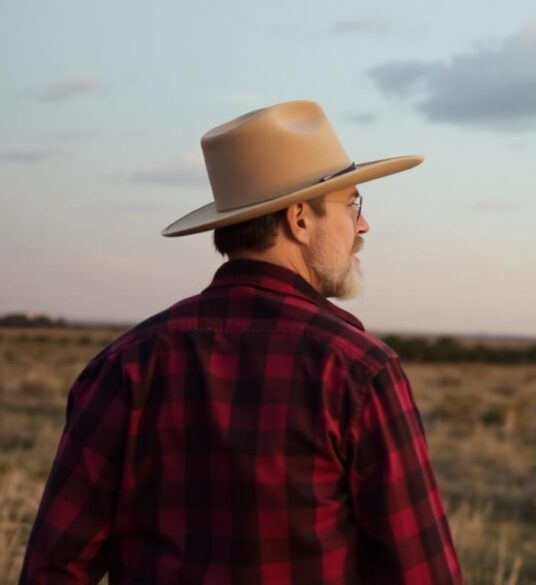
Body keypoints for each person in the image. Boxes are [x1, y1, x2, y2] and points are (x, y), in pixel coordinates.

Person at [19, 100, 464, 584]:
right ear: (299, 219)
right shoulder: (358, 371)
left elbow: (54, 569)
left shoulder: (123, 365)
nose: (362, 225)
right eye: (352, 204)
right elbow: (422, 573)